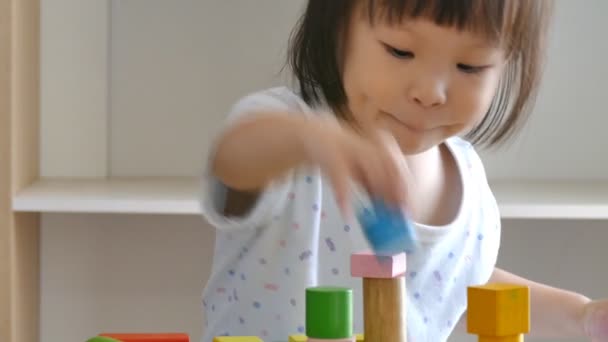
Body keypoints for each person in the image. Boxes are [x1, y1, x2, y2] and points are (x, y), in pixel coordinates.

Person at [198, 1, 608, 341]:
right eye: (400, 51)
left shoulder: (470, 185)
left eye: (470, 66)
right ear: (340, 28)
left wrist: (581, 314)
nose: (430, 92)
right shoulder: (289, 130)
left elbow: (453, 286)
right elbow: (234, 162)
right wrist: (314, 142)